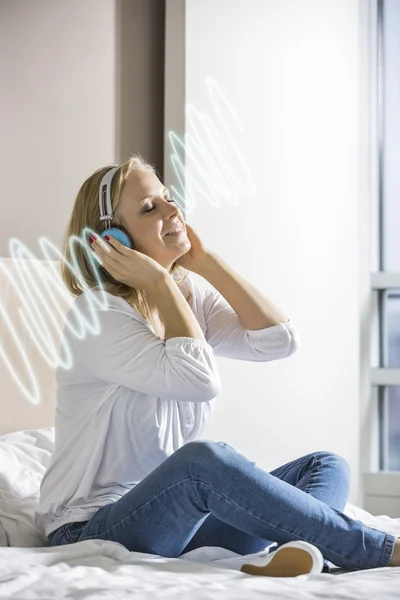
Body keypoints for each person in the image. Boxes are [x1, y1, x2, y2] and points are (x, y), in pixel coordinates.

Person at [35, 154, 400, 577]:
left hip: (178, 523)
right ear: (113, 239)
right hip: (92, 528)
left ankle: (302, 553)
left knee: (325, 465)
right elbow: (199, 380)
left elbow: (279, 341)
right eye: (150, 208)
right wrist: (155, 281)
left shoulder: (186, 296)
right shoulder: (97, 315)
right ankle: (377, 549)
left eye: (168, 199)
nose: (174, 211)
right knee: (201, 462)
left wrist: (203, 262)